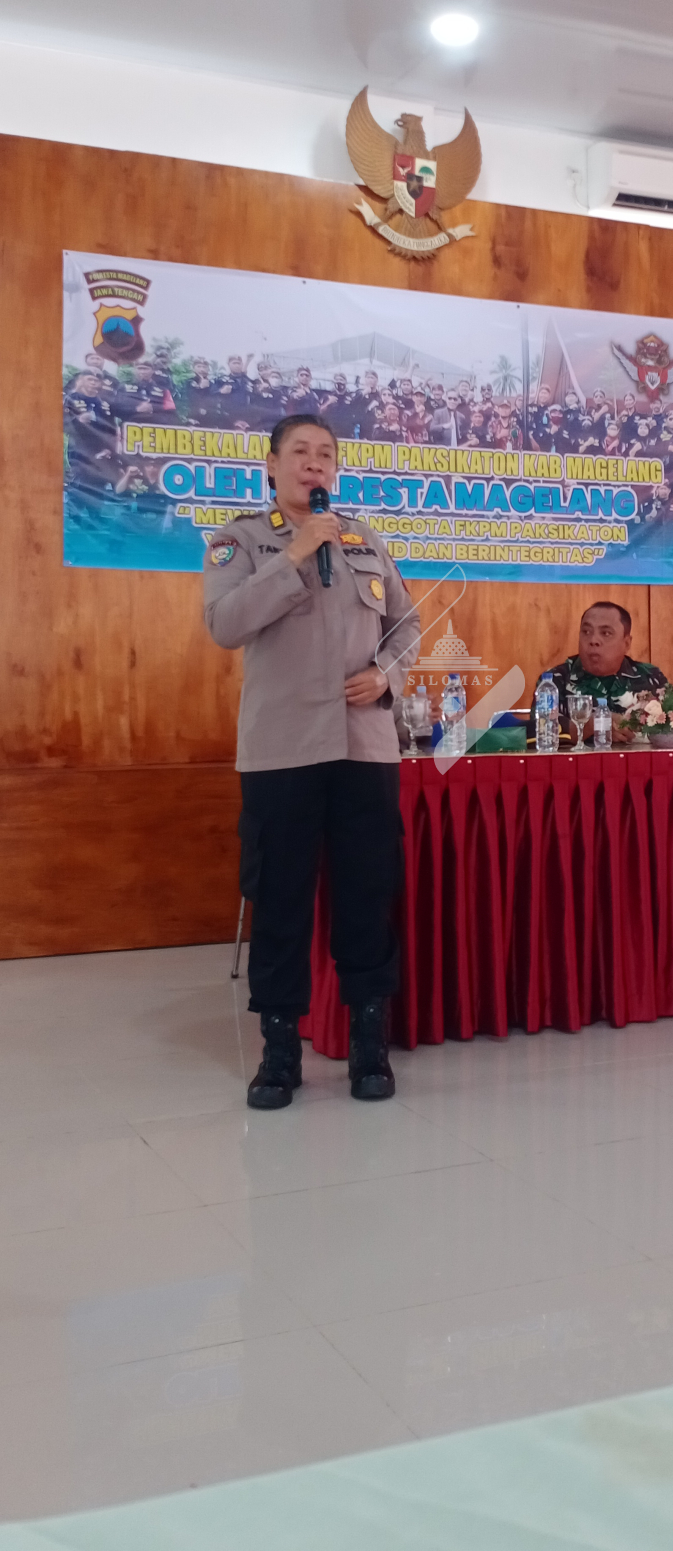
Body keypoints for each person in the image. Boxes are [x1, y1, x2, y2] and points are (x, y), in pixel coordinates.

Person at [203, 414, 421, 1110]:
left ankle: (368, 1043)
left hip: (364, 745)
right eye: (300, 452)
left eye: (325, 454)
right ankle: (278, 1051)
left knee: (367, 892)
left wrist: (387, 675)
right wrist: (293, 554)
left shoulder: (364, 538)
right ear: (271, 466)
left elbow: (407, 625)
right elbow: (224, 624)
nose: (314, 463)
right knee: (281, 898)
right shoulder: (240, 540)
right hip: (282, 749)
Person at [528, 602, 668, 744]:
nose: (593, 640)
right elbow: (538, 731)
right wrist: (590, 726)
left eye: (606, 633)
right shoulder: (553, 681)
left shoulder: (651, 677)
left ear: (626, 643)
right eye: (586, 632)